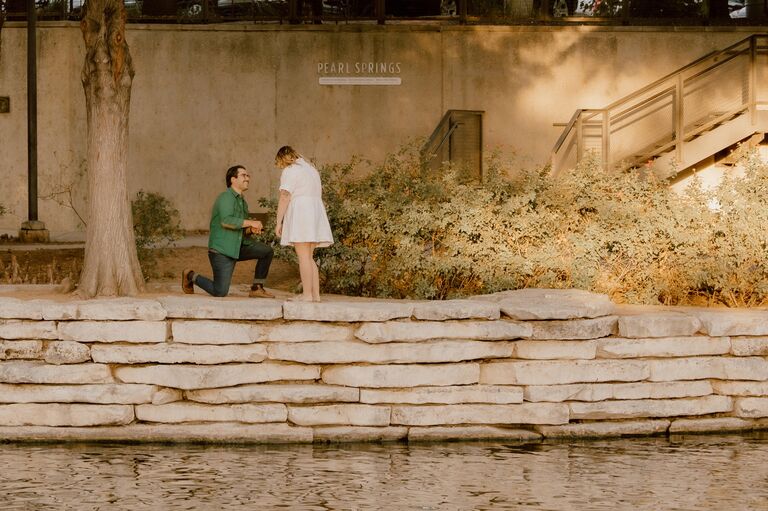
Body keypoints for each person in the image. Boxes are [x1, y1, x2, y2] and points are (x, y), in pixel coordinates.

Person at [182, 165, 274, 298]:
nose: (247, 178)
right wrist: (251, 222)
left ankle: (257, 288)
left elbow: (240, 229)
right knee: (220, 291)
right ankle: (190, 276)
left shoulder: (242, 202)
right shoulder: (225, 197)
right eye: (243, 175)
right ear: (233, 179)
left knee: (267, 251)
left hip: (238, 247)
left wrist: (250, 230)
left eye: (248, 176)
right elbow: (226, 221)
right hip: (222, 251)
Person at [274, 146, 333, 302]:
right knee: (309, 257)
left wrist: (278, 221)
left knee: (303, 257)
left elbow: (285, 196)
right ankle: (315, 295)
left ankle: (307, 295)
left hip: (301, 212)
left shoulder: (290, 170)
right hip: (314, 212)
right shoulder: (311, 170)